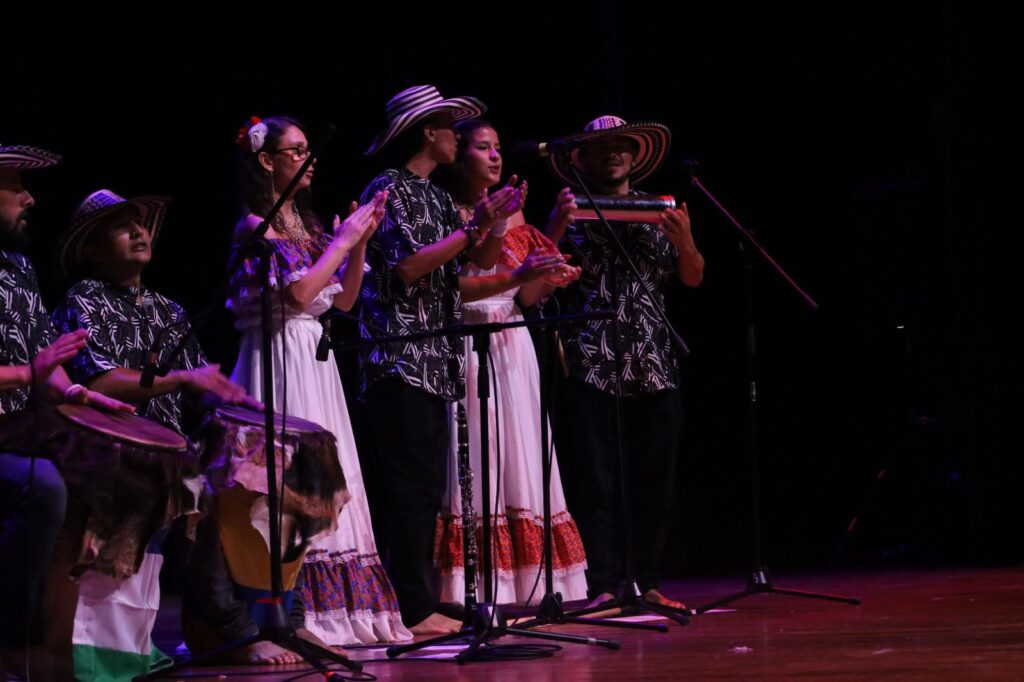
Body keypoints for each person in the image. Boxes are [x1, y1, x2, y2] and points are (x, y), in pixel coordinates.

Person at [228, 115, 411, 649]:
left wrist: (356, 244)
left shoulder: (306, 229)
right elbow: (299, 294)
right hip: (278, 356)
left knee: (329, 475)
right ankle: (286, 613)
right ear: (267, 161)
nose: (309, 159)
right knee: (287, 485)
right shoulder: (253, 225)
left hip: (314, 357)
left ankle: (336, 612)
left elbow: (345, 301)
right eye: (297, 149)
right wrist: (343, 240)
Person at [358, 85, 524, 633]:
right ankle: (411, 604)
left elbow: (463, 268)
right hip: (399, 356)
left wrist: (494, 223)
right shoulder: (388, 188)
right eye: (452, 128)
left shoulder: (431, 195)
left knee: (427, 487)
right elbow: (408, 268)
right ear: (428, 132)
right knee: (406, 487)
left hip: (436, 357)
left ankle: (421, 596)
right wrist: (472, 229)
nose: (459, 137)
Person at [546, 116, 704, 610]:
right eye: (601, 148)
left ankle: (648, 579)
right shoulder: (572, 210)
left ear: (634, 157)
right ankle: (605, 584)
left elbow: (694, 277)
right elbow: (541, 267)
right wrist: (556, 223)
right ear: (582, 161)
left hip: (653, 358)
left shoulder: (661, 209)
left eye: (621, 147)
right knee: (595, 479)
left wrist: (684, 240)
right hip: (592, 358)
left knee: (654, 476)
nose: (613, 154)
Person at [433, 118, 588, 606]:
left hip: (512, 340)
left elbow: (524, 296)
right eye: (483, 147)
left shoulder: (516, 217)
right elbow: (468, 276)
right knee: (480, 455)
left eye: (499, 148)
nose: (496, 156)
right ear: (462, 156)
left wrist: (550, 264)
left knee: (520, 456)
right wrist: (495, 225)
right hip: (470, 337)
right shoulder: (449, 211)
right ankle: (478, 589)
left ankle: (530, 585)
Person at [0, 144, 133, 681]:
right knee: (43, 487)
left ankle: (77, 645)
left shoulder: (18, 267)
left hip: (15, 428)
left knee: (118, 467)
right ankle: (13, 639)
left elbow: (45, 363)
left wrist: (86, 397)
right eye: (14, 186)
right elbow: (29, 369)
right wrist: (27, 375)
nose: (29, 197)